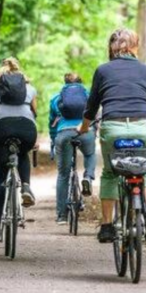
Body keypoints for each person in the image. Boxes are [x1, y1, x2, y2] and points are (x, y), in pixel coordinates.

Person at [77, 28, 146, 243]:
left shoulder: (102, 70)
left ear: (111, 48)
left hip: (113, 127)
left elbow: (91, 108)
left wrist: (83, 128)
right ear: (135, 47)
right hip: (142, 126)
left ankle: (107, 225)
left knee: (110, 173)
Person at [0, 57, 39, 242]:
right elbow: (34, 113)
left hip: (1, 129)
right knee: (22, 153)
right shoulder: (30, 89)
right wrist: (33, 138)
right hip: (26, 128)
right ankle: (26, 187)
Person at [50, 72, 96, 225]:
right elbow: (95, 116)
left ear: (65, 83)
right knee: (89, 154)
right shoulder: (89, 95)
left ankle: (62, 215)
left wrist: (53, 141)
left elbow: (52, 124)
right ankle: (88, 177)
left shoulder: (56, 99)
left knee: (63, 174)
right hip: (85, 132)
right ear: (81, 82)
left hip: (63, 134)